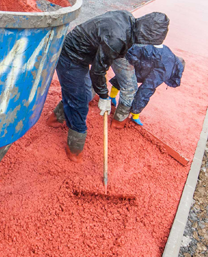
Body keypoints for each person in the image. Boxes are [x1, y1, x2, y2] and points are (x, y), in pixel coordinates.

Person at [46, 10, 170, 162]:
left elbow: (104, 60)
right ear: (146, 35)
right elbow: (97, 71)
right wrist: (104, 96)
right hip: (71, 56)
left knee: (82, 95)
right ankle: (74, 151)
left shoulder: (129, 21)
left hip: (84, 55)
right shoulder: (117, 39)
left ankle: (55, 119)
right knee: (79, 103)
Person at [109, 44, 185, 128]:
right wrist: (136, 113)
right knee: (130, 84)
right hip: (133, 56)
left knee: (125, 75)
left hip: (127, 50)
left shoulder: (168, 54)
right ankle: (123, 117)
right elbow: (146, 89)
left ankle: (111, 97)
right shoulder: (167, 68)